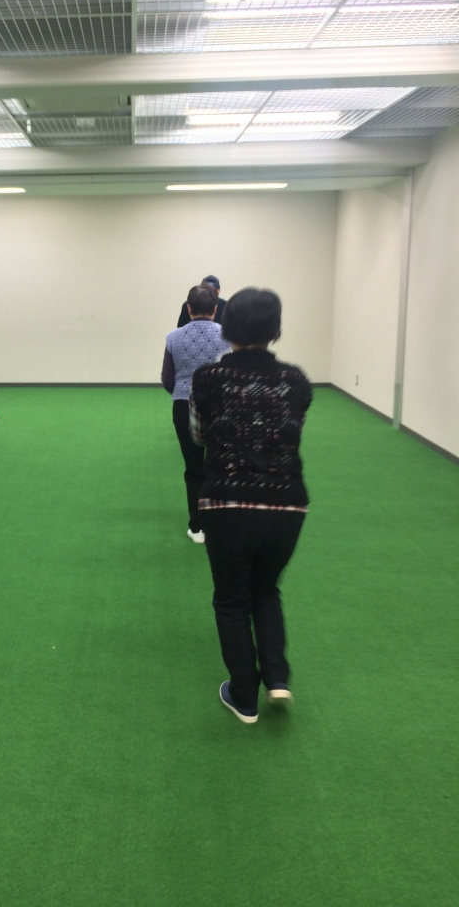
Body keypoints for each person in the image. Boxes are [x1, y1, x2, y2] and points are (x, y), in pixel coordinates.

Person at [188, 287, 312, 724]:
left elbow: (199, 435)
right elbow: (291, 431)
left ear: (228, 327)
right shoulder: (297, 380)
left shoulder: (208, 378)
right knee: (266, 590)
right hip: (288, 505)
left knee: (231, 600)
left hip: (227, 503)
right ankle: (277, 679)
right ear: (275, 330)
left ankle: (243, 696)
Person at [161, 284, 231, 543]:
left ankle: (197, 526)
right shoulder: (228, 337)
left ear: (188, 309)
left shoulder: (173, 337)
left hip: (183, 405)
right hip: (220, 407)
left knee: (193, 468)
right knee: (219, 465)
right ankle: (219, 522)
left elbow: (167, 378)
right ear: (215, 308)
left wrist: (182, 392)